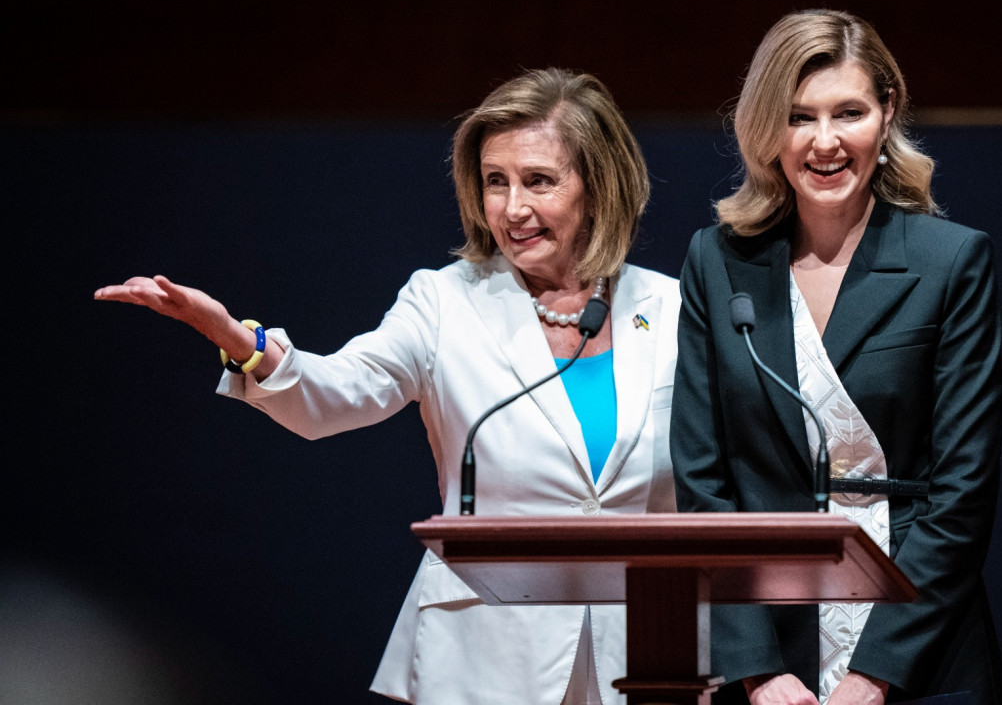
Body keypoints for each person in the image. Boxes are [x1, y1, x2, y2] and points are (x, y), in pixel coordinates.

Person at [94, 68, 681, 705]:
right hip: (485, 654)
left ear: (598, 185)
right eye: (495, 182)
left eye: (539, 181)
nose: (513, 208)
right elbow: (336, 393)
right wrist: (242, 341)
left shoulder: (673, 308)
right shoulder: (444, 301)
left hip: (647, 650)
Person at [671, 10, 1002, 705]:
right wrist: (758, 670)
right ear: (768, 130)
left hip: (920, 651)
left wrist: (876, 672)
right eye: (798, 117)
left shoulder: (952, 263)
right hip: (770, 659)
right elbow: (705, 487)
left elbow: (963, 495)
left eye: (847, 112)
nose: (824, 142)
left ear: (887, 114)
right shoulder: (717, 262)